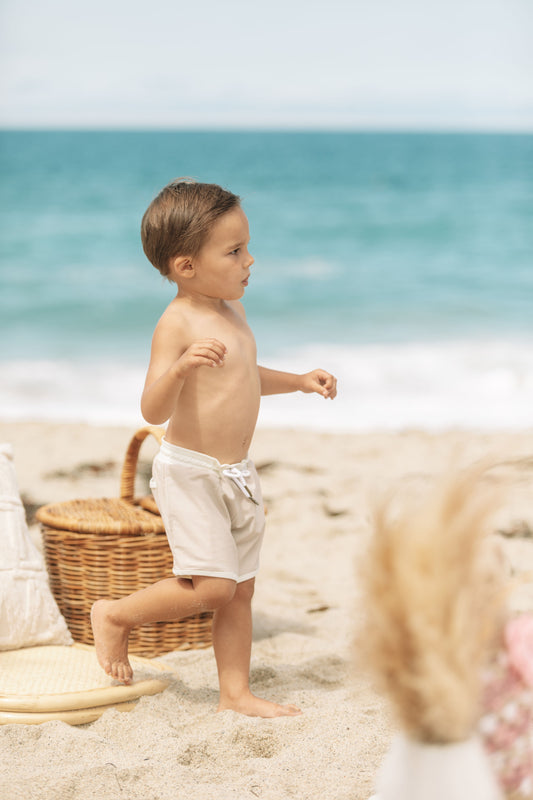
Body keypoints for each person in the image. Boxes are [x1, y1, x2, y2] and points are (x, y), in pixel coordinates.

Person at [91, 179, 337, 718]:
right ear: (186, 267)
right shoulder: (176, 323)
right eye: (234, 251)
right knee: (215, 588)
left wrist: (297, 380)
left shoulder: (234, 312)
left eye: (246, 246)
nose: (251, 260)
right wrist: (180, 367)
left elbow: (245, 376)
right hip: (192, 473)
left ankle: (235, 694)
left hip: (238, 475)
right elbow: (152, 409)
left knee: (241, 592)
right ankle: (114, 615)